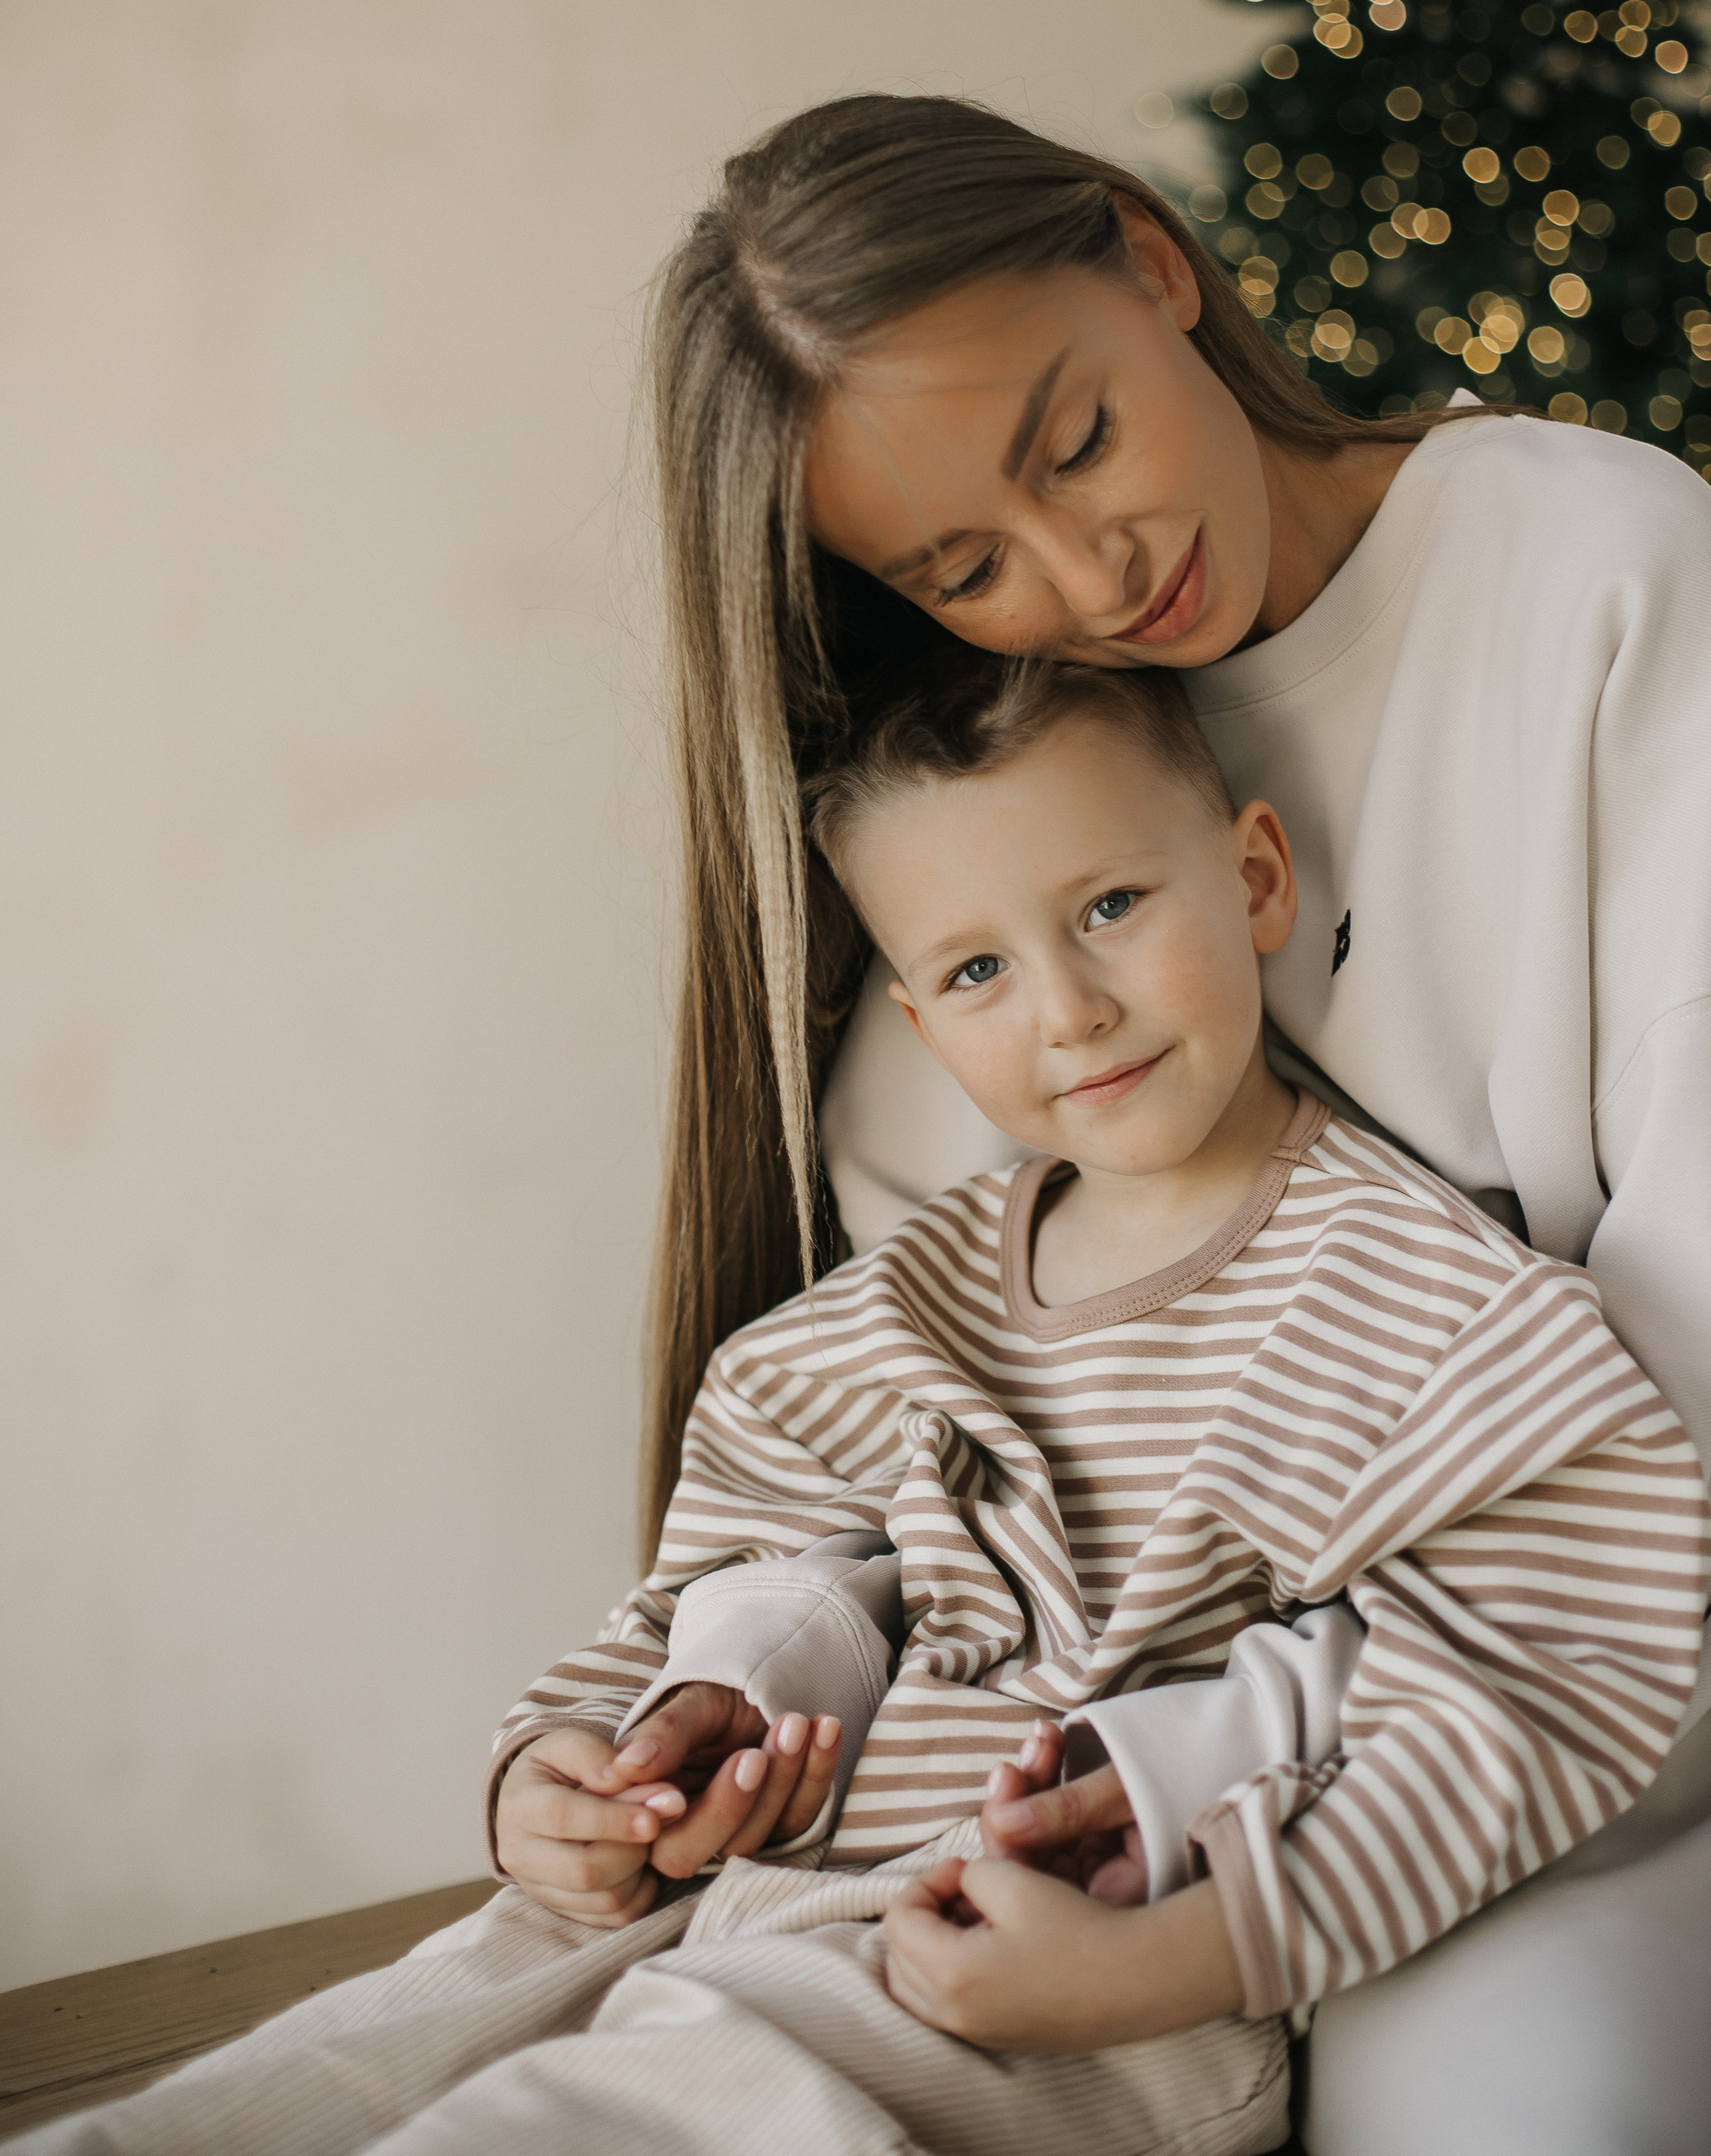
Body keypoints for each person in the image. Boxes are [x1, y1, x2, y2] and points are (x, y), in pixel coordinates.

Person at [31, 655, 1702, 2156]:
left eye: (1112, 903)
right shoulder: (881, 1316)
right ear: (916, 1015)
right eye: (975, 969)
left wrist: (1195, 1946)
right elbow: (744, 1576)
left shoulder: (1422, 1304)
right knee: (316, 2080)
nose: (1067, 1008)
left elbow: (1537, 1682)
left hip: (1058, 1966)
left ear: (1252, 876)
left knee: (637, 2110)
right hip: (732, 1891)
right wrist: (614, 1758)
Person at [634, 92, 1711, 2154]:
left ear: (1151, 264)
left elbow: (1652, 1518)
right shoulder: (980, 824)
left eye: (1080, 443)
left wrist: (1216, 1773)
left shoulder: (1593, 572)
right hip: (1130, 1766)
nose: (1092, 571)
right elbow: (914, 1466)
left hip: (1579, 1705)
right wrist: (730, 1695)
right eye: (965, 566)